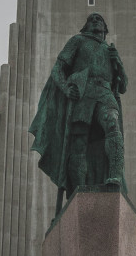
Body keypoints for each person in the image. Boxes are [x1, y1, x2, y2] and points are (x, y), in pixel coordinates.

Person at [29, 13, 128, 214]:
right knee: (79, 143)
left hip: (105, 93)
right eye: (91, 19)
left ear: (105, 27)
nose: (95, 21)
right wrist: (66, 88)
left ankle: (114, 177)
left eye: (98, 19)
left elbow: (123, 86)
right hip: (83, 95)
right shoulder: (78, 41)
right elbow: (58, 68)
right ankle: (79, 189)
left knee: (112, 124)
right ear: (85, 26)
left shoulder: (110, 51)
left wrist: (118, 63)